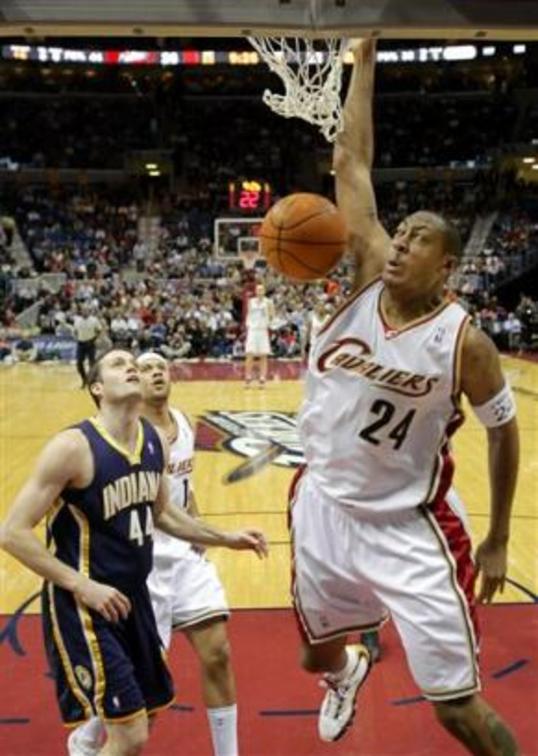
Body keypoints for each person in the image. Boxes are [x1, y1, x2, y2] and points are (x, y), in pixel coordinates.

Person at [290, 39, 520, 753]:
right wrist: (364, 62)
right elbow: (351, 162)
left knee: (457, 711)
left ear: (445, 265)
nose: (398, 243)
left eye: (417, 238)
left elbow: (504, 431)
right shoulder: (365, 268)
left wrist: (499, 538)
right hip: (324, 505)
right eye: (401, 232)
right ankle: (347, 672)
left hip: (406, 525)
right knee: (314, 656)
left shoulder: (466, 343)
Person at [0, 348, 267, 756]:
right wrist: (83, 586)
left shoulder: (153, 441)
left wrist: (225, 538)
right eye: (117, 364)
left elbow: (165, 514)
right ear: (96, 388)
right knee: (131, 735)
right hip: (86, 604)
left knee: (146, 716)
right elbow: (13, 532)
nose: (129, 367)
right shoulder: (72, 447)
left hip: (133, 598)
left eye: (131, 363)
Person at [71, 351, 240, 756]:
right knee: (145, 684)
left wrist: (199, 526)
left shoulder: (182, 422)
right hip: (144, 560)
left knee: (218, 652)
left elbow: (184, 488)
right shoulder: (127, 436)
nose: (155, 373)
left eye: (161, 367)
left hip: (185, 553)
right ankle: (89, 735)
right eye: (145, 369)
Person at [244, 282, 275, 388]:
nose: (259, 291)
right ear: (255, 291)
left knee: (263, 355)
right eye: (258, 290)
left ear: (264, 291)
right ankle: (248, 378)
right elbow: (249, 314)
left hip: (262, 330)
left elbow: (272, 315)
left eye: (261, 290)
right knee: (249, 354)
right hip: (252, 330)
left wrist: (271, 323)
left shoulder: (269, 302)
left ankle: (262, 378)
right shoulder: (251, 301)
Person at [72, 303, 101, 388]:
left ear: (89, 311)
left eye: (86, 310)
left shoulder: (94, 320)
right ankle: (84, 379)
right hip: (81, 343)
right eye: (83, 310)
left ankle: (92, 381)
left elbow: (99, 330)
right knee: (79, 363)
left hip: (90, 343)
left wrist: (95, 339)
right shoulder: (77, 320)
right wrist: (76, 338)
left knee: (92, 363)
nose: (84, 312)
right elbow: (75, 331)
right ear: (81, 311)